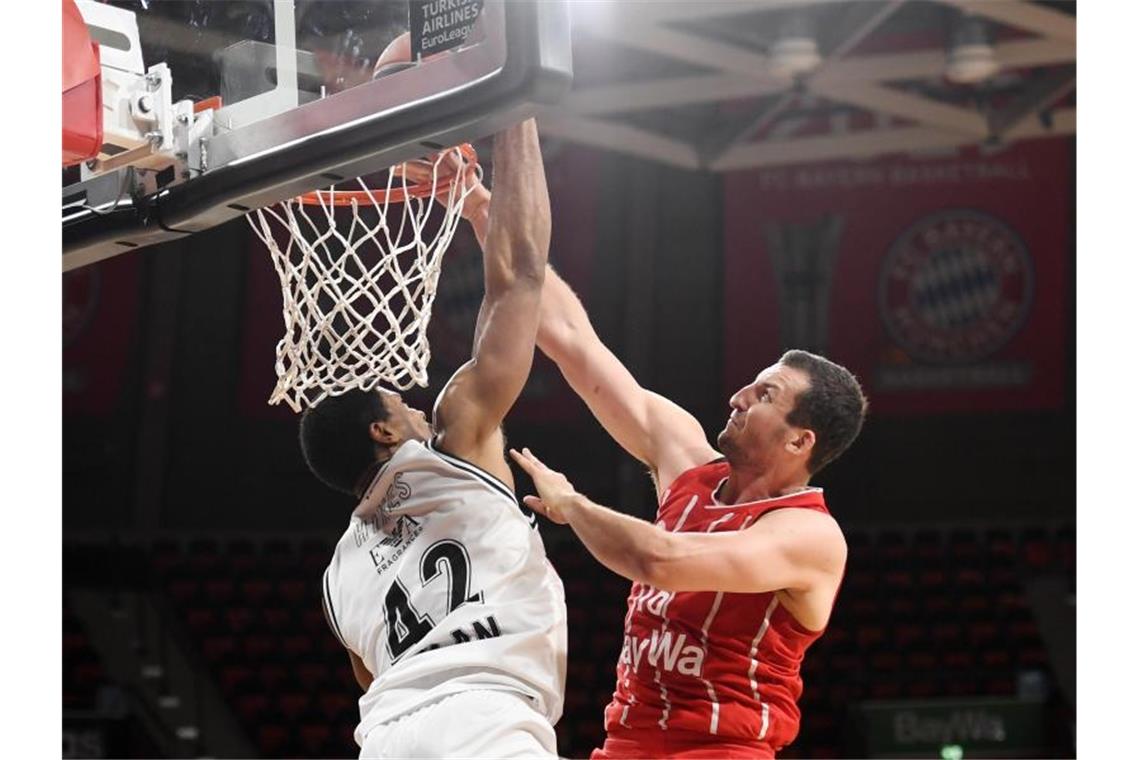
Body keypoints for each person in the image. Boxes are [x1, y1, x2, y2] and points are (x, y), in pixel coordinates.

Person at [503, 267, 868, 758]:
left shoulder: (810, 534)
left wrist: (573, 506)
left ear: (800, 440)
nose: (739, 398)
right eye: (750, 386)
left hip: (719, 749)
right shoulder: (687, 464)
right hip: (626, 742)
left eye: (766, 396)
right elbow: (573, 341)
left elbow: (661, 561)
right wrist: (484, 211)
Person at [299, 119, 566, 759]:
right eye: (403, 406)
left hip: (388, 735)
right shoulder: (454, 444)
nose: (420, 409)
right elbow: (521, 275)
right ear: (383, 430)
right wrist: (517, 112)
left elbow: (372, 674)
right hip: (485, 722)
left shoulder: (338, 579)